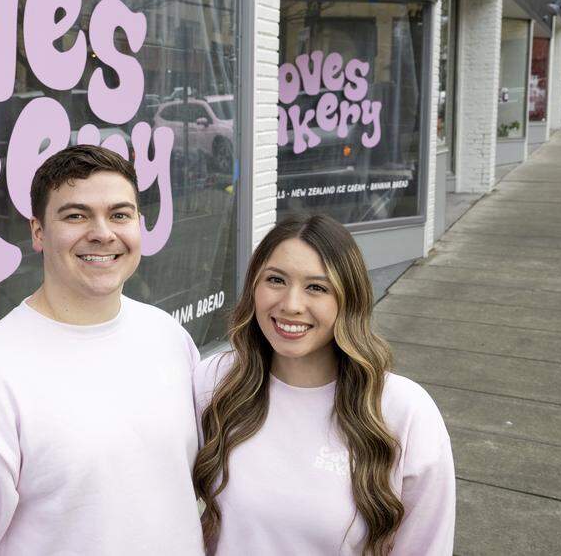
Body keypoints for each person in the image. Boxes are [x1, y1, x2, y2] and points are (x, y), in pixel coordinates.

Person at [0, 145, 204, 555]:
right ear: (38, 233)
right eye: (76, 215)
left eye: (120, 214)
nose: (102, 232)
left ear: (139, 224)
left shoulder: (168, 337)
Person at [194, 214, 455, 555]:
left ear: (349, 299)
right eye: (275, 280)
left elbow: (426, 546)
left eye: (316, 287)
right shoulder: (215, 382)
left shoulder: (401, 410)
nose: (290, 305)